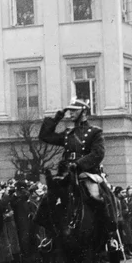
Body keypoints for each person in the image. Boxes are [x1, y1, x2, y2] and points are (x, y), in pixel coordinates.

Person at [38, 96, 120, 253]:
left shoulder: (95, 132)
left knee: (105, 197)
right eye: (69, 110)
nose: (70, 113)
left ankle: (110, 237)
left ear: (84, 112)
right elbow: (45, 136)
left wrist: (79, 164)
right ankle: (49, 236)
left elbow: (98, 153)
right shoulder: (68, 133)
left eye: (74, 111)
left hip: (86, 173)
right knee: (47, 198)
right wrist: (57, 118)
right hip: (67, 174)